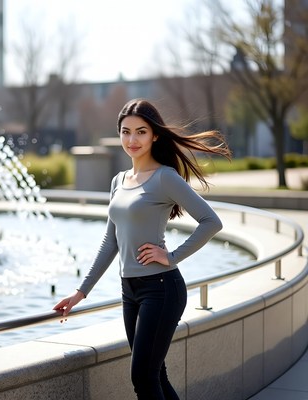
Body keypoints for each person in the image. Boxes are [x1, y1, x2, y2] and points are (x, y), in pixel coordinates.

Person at [53, 98, 231, 399]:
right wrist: (80, 292)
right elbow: (111, 241)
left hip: (161, 288)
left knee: (142, 377)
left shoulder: (165, 177)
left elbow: (211, 222)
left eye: (141, 132)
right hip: (130, 291)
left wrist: (171, 256)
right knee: (154, 374)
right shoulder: (118, 181)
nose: (132, 140)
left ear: (155, 135)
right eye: (125, 132)